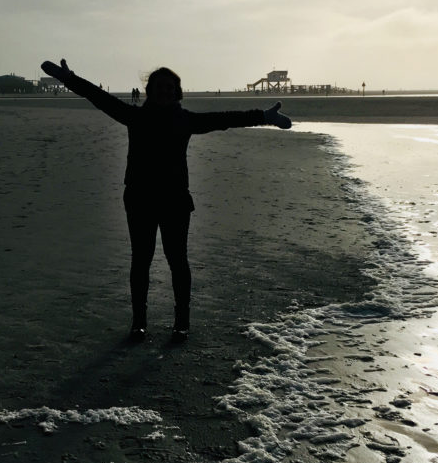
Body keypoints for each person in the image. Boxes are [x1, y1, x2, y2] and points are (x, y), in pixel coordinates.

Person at [40, 59, 292, 343]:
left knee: (177, 261)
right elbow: (98, 97)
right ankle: (139, 322)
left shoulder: (185, 120)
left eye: (169, 88)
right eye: (159, 87)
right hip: (139, 199)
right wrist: (69, 78)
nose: (164, 92)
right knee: (141, 260)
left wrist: (264, 116)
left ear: (177, 92)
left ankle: (181, 322)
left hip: (175, 201)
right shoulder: (135, 116)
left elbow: (224, 119)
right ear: (149, 90)